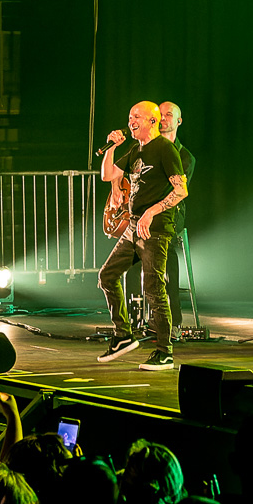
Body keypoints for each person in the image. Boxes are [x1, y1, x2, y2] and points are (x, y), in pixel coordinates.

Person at [96, 100, 189, 371]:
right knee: (107, 276)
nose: (131, 121)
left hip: (156, 230)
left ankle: (165, 351)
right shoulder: (137, 150)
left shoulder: (165, 149)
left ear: (152, 121)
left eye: (136, 116)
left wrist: (152, 212)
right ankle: (123, 336)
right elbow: (107, 174)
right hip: (133, 227)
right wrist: (112, 147)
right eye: (129, 116)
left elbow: (181, 190)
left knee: (153, 288)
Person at [157, 101, 197, 328]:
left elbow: (176, 193)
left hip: (170, 215)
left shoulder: (185, 157)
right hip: (147, 216)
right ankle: (134, 316)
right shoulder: (147, 149)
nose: (163, 119)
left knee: (165, 248)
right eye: (159, 115)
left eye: (168, 115)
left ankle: (173, 321)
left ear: (178, 121)